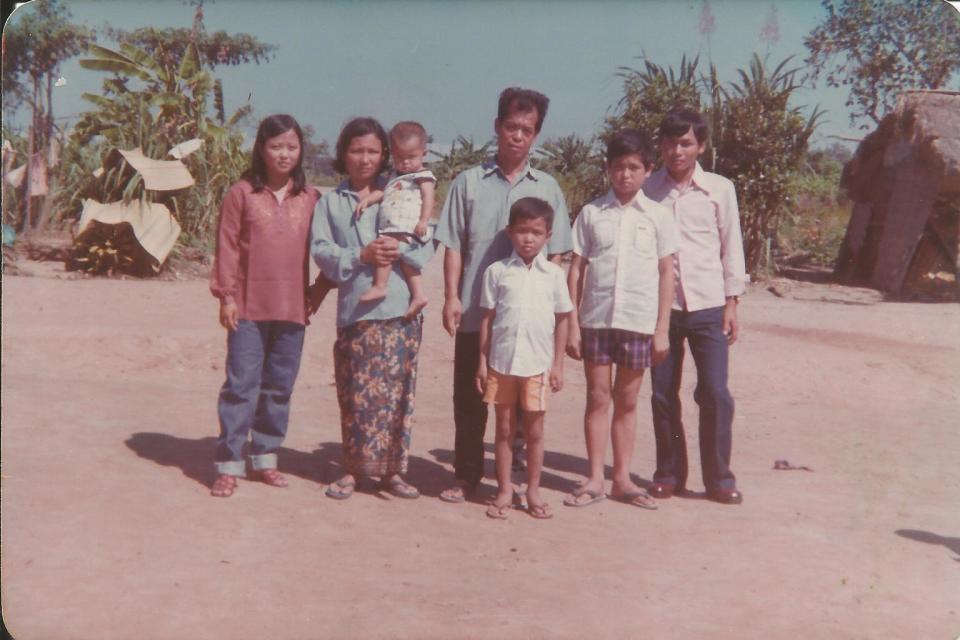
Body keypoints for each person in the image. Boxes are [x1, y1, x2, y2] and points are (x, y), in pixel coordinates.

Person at [434, 87, 573, 504]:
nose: (517, 136)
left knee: (523, 407)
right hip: (479, 313)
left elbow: (560, 254)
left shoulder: (548, 188)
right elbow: (454, 245)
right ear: (497, 127)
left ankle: (512, 482)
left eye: (527, 129)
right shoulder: (468, 183)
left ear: (536, 135)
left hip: (527, 322)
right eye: (511, 126)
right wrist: (451, 296)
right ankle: (466, 475)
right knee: (471, 395)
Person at [310, 117, 435, 501]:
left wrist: (402, 249)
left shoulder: (405, 189)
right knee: (357, 395)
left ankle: (393, 472)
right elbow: (321, 251)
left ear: (384, 156)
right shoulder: (330, 203)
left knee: (398, 395)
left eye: (373, 152)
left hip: (401, 310)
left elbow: (429, 241)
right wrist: (360, 255)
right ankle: (352, 470)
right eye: (356, 150)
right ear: (343, 155)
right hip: (356, 312)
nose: (365, 159)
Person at [209, 114, 333, 498]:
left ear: (301, 151)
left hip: (293, 309)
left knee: (279, 388)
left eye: (291, 147)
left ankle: (265, 457)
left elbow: (330, 249)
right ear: (261, 148)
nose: (284, 154)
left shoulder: (312, 199)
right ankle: (229, 464)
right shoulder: (241, 194)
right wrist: (226, 296)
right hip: (247, 308)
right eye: (276, 146)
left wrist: (318, 291)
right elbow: (226, 247)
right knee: (241, 386)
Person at [564, 129, 677, 509]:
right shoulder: (592, 213)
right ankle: (595, 478)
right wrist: (573, 325)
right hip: (596, 320)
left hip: (638, 322)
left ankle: (622, 478)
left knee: (627, 400)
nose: (625, 175)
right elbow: (576, 270)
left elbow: (666, 274)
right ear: (608, 169)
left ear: (648, 169)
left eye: (633, 167)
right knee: (598, 398)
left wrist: (662, 329)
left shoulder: (659, 217)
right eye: (617, 167)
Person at [643, 109, 747, 505]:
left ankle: (719, 478)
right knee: (663, 394)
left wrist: (732, 302)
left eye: (685, 142)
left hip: (708, 305)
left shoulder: (720, 190)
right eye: (670, 143)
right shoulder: (649, 189)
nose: (676, 150)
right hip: (662, 310)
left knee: (715, 393)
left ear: (700, 145)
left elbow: (730, 246)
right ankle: (669, 473)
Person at [476, 198, 573, 520]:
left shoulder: (554, 275)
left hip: (538, 365)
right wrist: (482, 361)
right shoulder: (497, 272)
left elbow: (562, 320)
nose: (528, 238)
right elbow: (487, 319)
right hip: (502, 363)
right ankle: (504, 489)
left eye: (536, 232)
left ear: (548, 235)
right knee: (503, 428)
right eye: (521, 231)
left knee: (534, 431)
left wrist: (558, 364)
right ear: (510, 232)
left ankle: (532, 489)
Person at [355, 121, 436, 318]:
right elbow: (382, 192)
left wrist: (424, 220)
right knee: (406, 261)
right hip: (394, 224)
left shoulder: (423, 175)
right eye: (399, 157)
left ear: (423, 154)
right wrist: (368, 200)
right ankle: (418, 294)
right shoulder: (394, 175)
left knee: (385, 249)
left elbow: (428, 197)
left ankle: (380, 285)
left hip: (407, 224)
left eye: (411, 157)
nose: (405, 162)